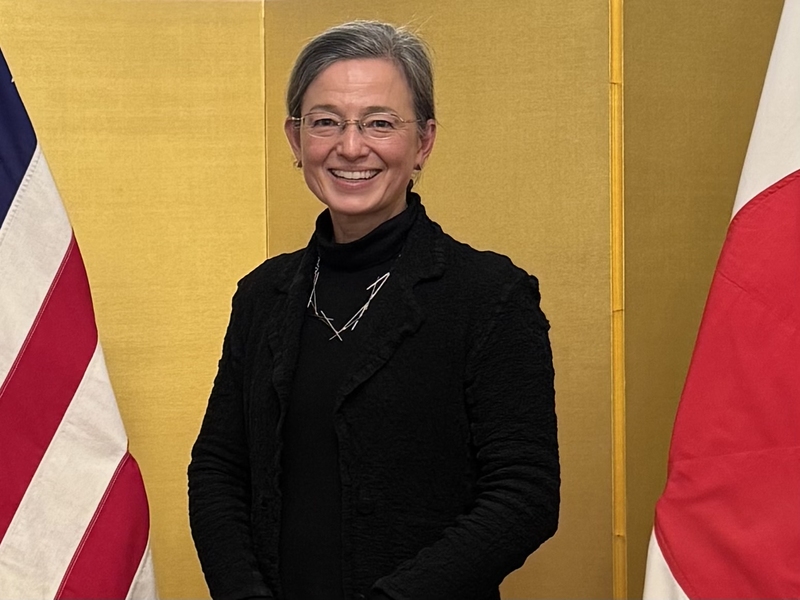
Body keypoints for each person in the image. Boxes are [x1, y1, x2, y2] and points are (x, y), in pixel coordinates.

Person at [188, 20, 559, 600]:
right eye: (326, 122)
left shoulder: (490, 295)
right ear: (295, 138)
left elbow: (523, 495)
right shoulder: (263, 294)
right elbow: (217, 468)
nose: (351, 146)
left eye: (380, 123)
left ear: (424, 143)